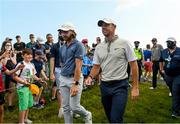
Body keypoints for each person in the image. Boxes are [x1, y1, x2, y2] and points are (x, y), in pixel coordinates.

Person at [85, 18, 139, 123]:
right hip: (105, 86)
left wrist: (135, 87)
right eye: (102, 25)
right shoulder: (99, 47)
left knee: (115, 119)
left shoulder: (124, 43)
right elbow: (96, 67)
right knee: (110, 117)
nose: (103, 27)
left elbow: (134, 65)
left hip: (120, 85)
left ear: (114, 27)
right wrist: (90, 77)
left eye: (107, 25)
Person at [58, 22, 92, 123]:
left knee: (74, 107)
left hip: (74, 79)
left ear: (72, 32)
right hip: (63, 78)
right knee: (66, 107)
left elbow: (78, 66)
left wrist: (75, 83)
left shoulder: (79, 45)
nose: (63, 34)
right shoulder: (62, 47)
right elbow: (62, 63)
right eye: (62, 32)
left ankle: (87, 115)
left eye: (66, 31)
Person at [13, 48, 43, 123]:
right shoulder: (21, 64)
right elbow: (14, 76)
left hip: (30, 87)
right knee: (23, 106)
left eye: (30, 55)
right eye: (27, 55)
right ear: (23, 56)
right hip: (22, 88)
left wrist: (39, 79)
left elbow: (33, 75)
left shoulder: (31, 64)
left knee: (28, 104)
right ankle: (21, 122)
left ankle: (25, 119)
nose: (29, 56)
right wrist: (23, 82)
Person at [0, 54, 25, 123]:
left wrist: (17, 69)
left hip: (0, 90)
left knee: (1, 111)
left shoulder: (1, 65)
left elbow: (8, 72)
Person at [159, 37, 180, 118]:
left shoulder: (179, 50)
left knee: (175, 91)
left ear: (175, 42)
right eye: (167, 42)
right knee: (173, 90)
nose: (169, 44)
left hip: (178, 75)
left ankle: (176, 112)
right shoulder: (164, 51)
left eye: (170, 42)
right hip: (168, 75)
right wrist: (161, 69)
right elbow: (160, 60)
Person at [0, 40, 17, 111]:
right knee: (3, 91)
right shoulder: (1, 54)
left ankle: (10, 105)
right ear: (4, 46)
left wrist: (11, 56)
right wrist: (5, 56)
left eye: (9, 45)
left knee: (11, 90)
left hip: (11, 72)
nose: (8, 47)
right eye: (7, 45)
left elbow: (15, 62)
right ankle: (2, 105)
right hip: (4, 74)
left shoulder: (13, 54)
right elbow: (3, 64)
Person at [49, 34, 63, 118]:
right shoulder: (55, 46)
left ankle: (73, 109)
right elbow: (52, 59)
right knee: (60, 89)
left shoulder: (71, 44)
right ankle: (61, 109)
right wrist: (51, 73)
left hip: (69, 69)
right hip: (58, 69)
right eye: (60, 33)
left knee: (70, 88)